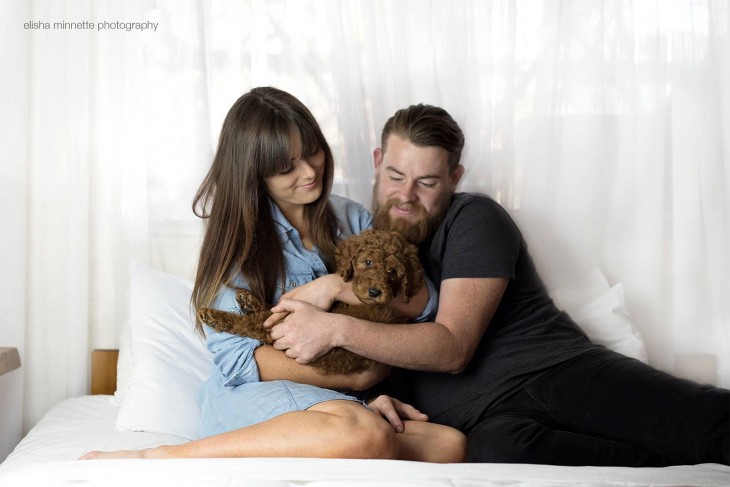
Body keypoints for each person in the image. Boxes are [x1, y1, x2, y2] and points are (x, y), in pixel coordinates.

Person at [263, 103, 730, 466]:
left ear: (454, 178)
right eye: (396, 176)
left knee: (710, 425)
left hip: (555, 374)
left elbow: (451, 349)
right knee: (497, 451)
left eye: (426, 181)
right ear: (378, 161)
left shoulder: (475, 218)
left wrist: (336, 326)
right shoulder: (358, 245)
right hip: (490, 426)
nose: (406, 196)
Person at [81, 88, 465, 462]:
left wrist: (335, 285)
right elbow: (242, 362)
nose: (310, 170)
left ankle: (346, 426)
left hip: (333, 402)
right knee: (366, 434)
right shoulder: (239, 245)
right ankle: (164, 455)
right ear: (256, 174)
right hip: (258, 396)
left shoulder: (352, 218)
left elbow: (423, 301)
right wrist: (355, 382)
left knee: (448, 444)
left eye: (312, 151)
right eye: (287, 167)